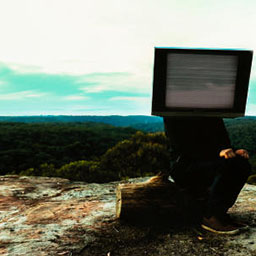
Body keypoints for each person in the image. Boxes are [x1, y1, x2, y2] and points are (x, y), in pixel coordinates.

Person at [164, 116, 251, 234]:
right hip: (184, 165)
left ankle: (220, 213)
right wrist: (216, 153)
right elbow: (182, 147)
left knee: (241, 163)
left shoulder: (212, 114)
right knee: (229, 165)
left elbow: (221, 141)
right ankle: (210, 216)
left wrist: (234, 151)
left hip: (206, 160)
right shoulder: (175, 114)